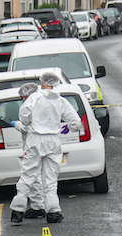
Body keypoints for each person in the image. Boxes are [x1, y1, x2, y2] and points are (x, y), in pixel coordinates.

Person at [9, 72, 82, 225]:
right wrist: (68, 128)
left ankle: (17, 211)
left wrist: (29, 122)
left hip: (35, 138)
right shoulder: (61, 101)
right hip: (53, 140)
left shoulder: (34, 98)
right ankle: (53, 212)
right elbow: (76, 121)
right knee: (51, 177)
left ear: (42, 83)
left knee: (28, 173)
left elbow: (24, 114)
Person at [8, 82, 44, 219]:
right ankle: (38, 207)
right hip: (41, 144)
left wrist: (16, 124)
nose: (22, 99)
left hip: (32, 144)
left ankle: (19, 209)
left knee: (28, 175)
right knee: (36, 177)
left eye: (23, 97)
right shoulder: (43, 103)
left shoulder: (29, 106)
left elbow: (28, 128)